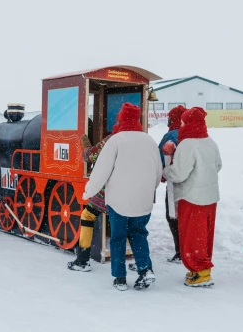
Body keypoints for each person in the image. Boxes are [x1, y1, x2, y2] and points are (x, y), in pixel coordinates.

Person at [83, 103, 162, 291]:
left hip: (119, 200)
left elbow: (101, 171)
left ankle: (119, 278)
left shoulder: (116, 140)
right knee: (139, 234)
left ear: (120, 119)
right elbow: (158, 171)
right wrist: (149, 189)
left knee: (118, 238)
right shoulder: (149, 140)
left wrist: (89, 191)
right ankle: (145, 269)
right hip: (143, 200)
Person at [162, 107, 222, 287]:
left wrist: (165, 170)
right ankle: (201, 269)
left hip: (191, 197)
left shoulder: (187, 144)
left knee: (192, 236)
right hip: (210, 196)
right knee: (205, 235)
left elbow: (179, 174)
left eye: (182, 122)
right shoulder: (209, 141)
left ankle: (200, 272)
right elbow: (218, 165)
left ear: (188, 123)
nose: (179, 125)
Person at [67, 133, 112, 271]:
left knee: (87, 215)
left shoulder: (112, 139)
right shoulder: (144, 139)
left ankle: (82, 260)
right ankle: (143, 264)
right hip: (132, 192)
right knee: (129, 222)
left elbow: (90, 156)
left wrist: (86, 145)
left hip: (109, 191)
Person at [157, 104, 187, 263]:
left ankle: (180, 252)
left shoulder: (171, 136)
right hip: (191, 185)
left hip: (174, 184)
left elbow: (159, 159)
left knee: (173, 217)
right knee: (187, 218)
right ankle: (188, 250)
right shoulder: (191, 134)